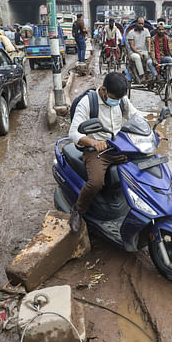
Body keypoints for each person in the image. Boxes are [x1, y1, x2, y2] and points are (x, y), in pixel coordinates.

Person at [68, 72, 141, 232]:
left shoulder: (121, 100)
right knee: (96, 183)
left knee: (142, 168)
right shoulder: (88, 102)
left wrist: (151, 131)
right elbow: (73, 133)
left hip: (120, 145)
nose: (116, 101)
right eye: (113, 97)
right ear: (103, 90)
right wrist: (93, 142)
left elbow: (136, 116)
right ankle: (78, 211)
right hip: (96, 150)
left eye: (119, 99)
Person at [126, 17, 151, 83]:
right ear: (136, 23)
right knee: (137, 57)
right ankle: (142, 75)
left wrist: (149, 50)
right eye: (139, 23)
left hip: (144, 51)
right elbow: (131, 46)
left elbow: (148, 41)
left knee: (149, 56)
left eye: (142, 24)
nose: (141, 25)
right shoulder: (131, 32)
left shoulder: (146, 31)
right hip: (133, 52)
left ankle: (148, 74)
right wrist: (139, 53)